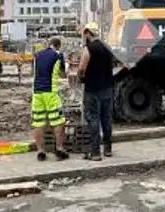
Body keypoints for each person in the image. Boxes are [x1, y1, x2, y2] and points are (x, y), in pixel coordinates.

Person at [77, 24, 118, 161]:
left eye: (85, 33)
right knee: (106, 118)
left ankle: (95, 153)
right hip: (107, 87)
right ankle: (108, 149)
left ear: (88, 33)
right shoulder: (107, 48)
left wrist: (80, 77)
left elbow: (82, 67)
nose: (84, 36)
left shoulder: (88, 48)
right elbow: (113, 64)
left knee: (93, 118)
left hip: (93, 89)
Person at [30, 37, 69, 161]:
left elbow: (34, 72)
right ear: (58, 46)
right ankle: (59, 148)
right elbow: (63, 74)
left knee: (38, 122)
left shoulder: (37, 55)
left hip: (36, 93)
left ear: (49, 44)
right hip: (50, 92)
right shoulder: (58, 55)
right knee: (58, 121)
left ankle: (40, 150)